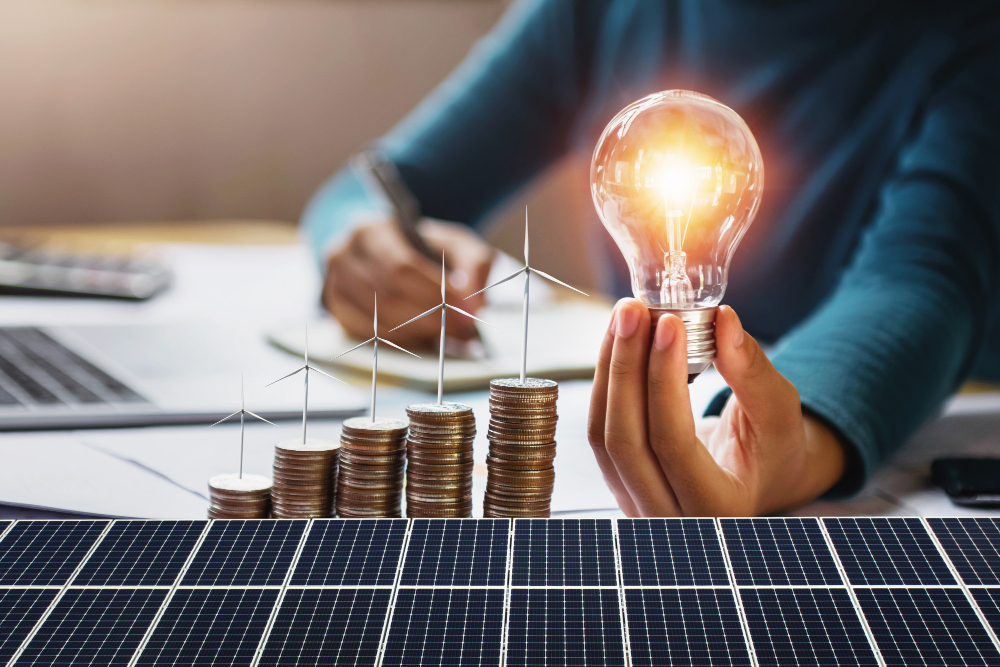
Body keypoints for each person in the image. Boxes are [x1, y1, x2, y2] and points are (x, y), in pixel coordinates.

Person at [302, 0, 1000, 515]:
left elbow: (919, 283)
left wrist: (781, 440)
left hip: (911, 413)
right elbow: (378, 186)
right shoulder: (597, 12)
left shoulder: (972, 36)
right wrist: (360, 240)